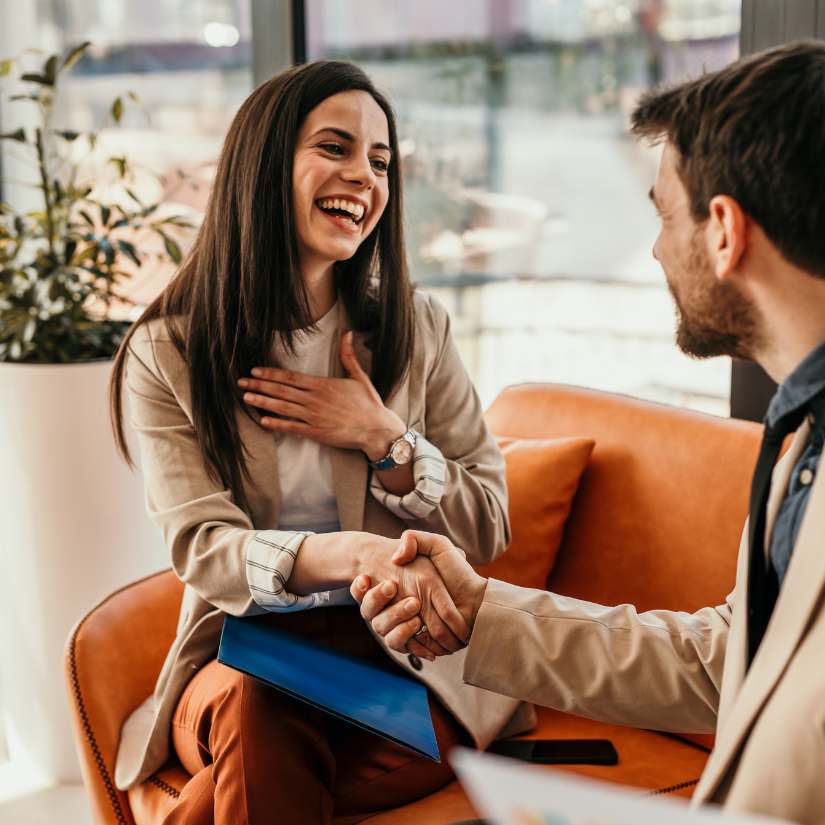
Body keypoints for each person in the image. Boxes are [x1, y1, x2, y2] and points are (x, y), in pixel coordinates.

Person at [354, 42, 825, 824]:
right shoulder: (797, 441)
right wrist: (480, 610)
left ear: (722, 231)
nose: (653, 248)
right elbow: (724, 664)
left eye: (662, 213)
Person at [109, 60, 531, 825]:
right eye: (334, 147)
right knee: (262, 703)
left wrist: (387, 440)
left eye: (379, 160)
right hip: (241, 655)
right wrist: (353, 553)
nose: (362, 177)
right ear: (264, 164)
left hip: (397, 658)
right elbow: (204, 546)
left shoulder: (417, 329)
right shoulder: (167, 351)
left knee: (252, 780)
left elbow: (488, 524)